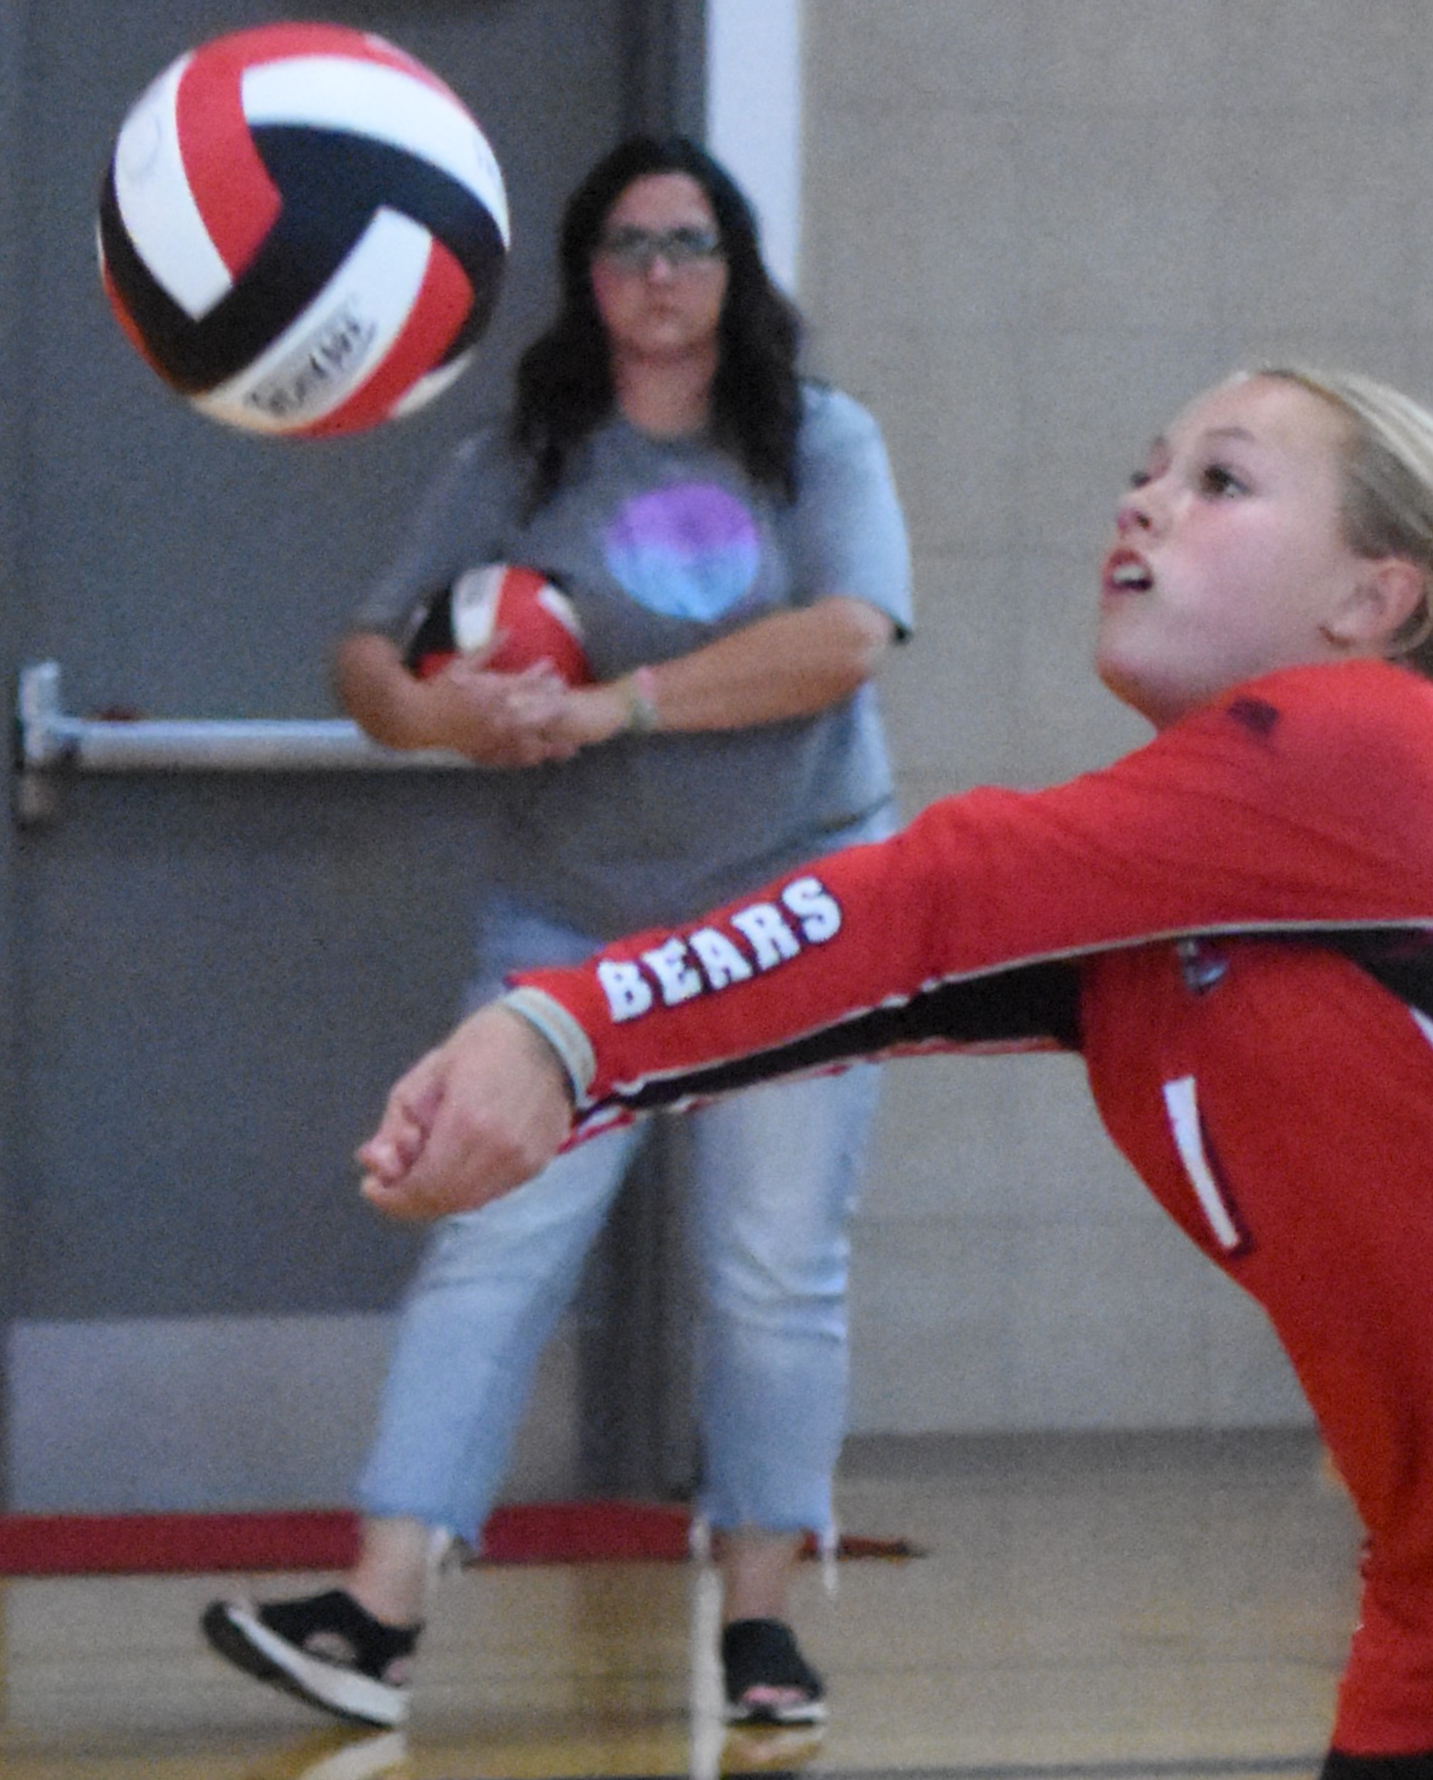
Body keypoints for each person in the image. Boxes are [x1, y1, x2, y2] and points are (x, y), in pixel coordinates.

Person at [345, 364, 1433, 1775]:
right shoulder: (1184, 894)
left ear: (1372, 602)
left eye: (1219, 481)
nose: (1141, 503)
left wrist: (560, 1031)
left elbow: (931, 888)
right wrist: (575, 1070)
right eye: (1142, 473)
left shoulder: (1374, 745)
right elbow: (862, 983)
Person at [201, 135, 912, 1733]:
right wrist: (451, 719)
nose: (658, 276)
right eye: (624, 250)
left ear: (733, 270)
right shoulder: (519, 456)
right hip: (572, 925)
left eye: (687, 244)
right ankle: (373, 1621)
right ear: (586, 280)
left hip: (790, 910)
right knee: (493, 1239)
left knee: (772, 1273)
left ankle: (760, 1628)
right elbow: (367, 660)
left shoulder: (817, 442)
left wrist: (617, 703)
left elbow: (845, 638)